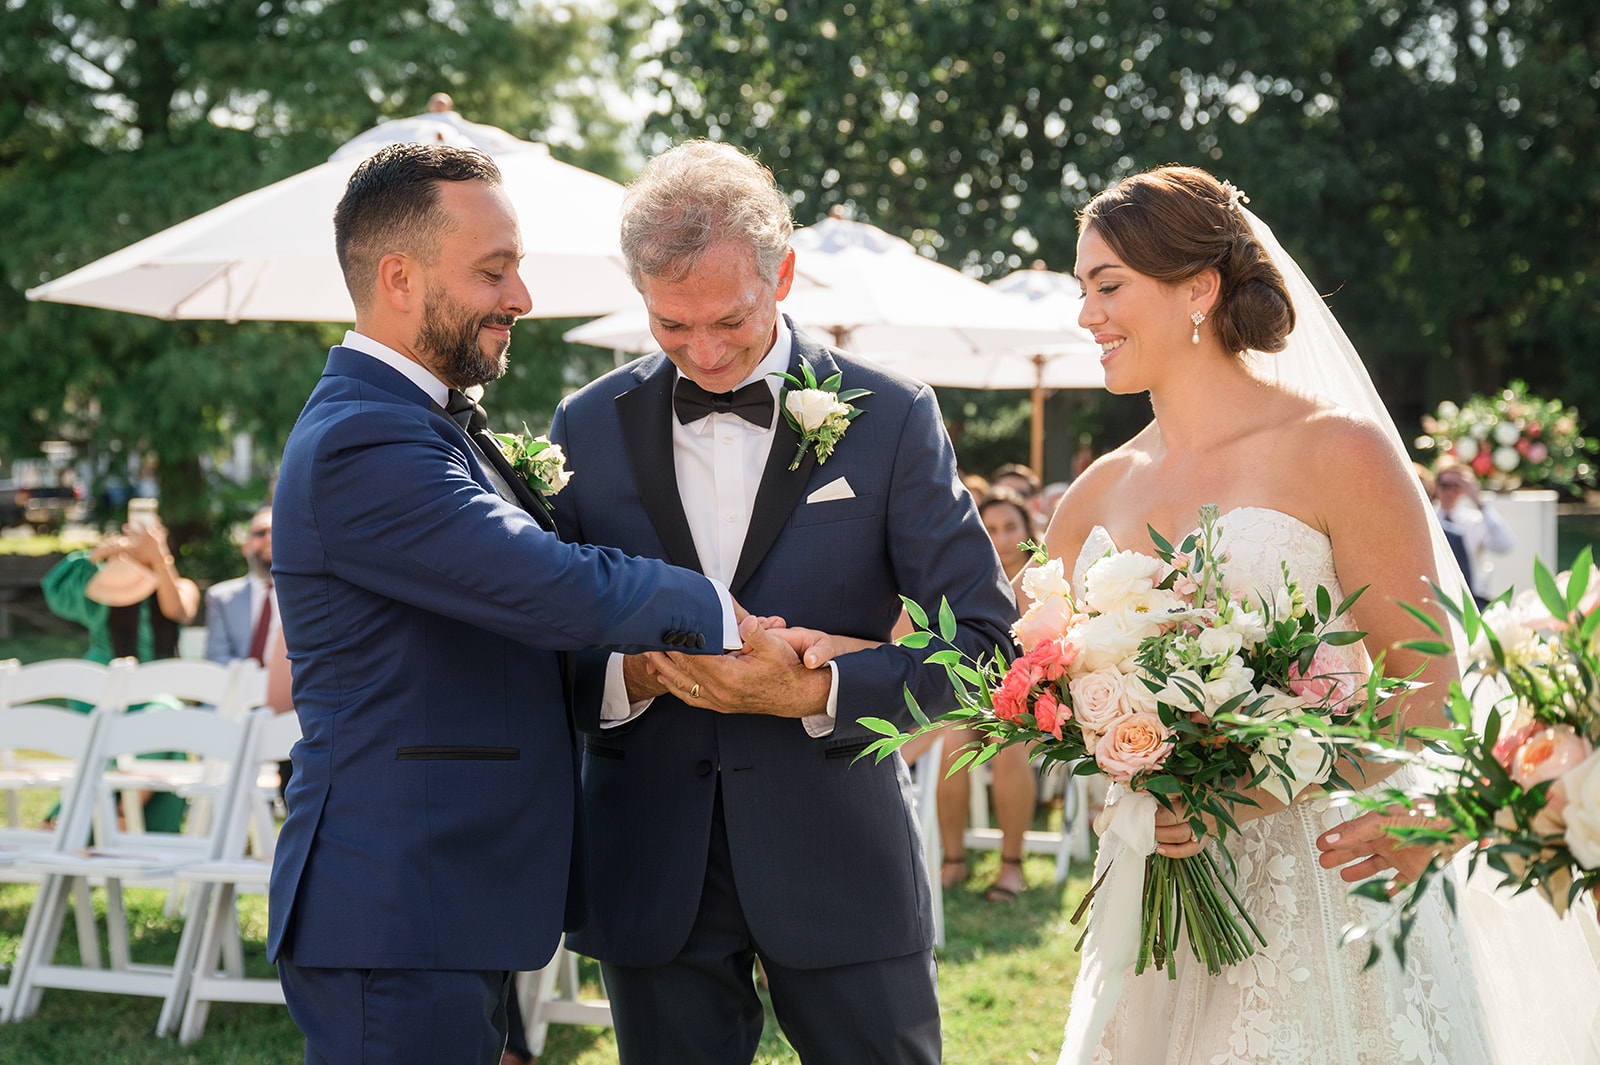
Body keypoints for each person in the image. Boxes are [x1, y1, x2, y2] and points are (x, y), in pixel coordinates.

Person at [267, 142, 742, 1065]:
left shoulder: (424, 421)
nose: (521, 296)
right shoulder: (363, 439)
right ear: (399, 277)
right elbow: (543, 581)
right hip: (394, 906)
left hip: (446, 896)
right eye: (494, 270)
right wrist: (727, 616)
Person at [547, 139, 1016, 1065]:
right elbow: (539, 644)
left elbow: (987, 646)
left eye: (728, 319)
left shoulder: (891, 416)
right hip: (649, 863)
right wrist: (635, 671)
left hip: (840, 855)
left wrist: (816, 692)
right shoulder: (584, 428)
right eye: (670, 326)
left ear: (785, 272)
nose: (704, 351)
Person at [1037, 165, 1495, 1063]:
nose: (1085, 315)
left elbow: (1429, 690)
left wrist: (1251, 788)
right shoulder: (1091, 497)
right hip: (1152, 895)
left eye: (1108, 286)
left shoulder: (1338, 453)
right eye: (1081, 290)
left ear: (1198, 287)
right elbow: (1040, 677)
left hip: (1320, 888)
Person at [41, 518, 201, 831]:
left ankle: (96, 815)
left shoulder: (181, 585)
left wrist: (158, 557)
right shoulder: (106, 588)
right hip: (102, 691)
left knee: (166, 716)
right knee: (157, 726)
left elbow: (179, 611)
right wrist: (97, 555)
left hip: (155, 694)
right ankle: (118, 815)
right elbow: (57, 592)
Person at [922, 489, 1039, 902]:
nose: (1002, 538)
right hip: (974, 699)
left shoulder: (1046, 582)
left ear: (1029, 531)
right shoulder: (967, 582)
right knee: (953, 741)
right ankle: (954, 858)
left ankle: (1011, 863)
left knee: (1008, 745)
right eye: (990, 529)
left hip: (1034, 702)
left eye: (1011, 527)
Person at [1432, 456, 1515, 608]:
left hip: (1470, 599)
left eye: (1457, 486)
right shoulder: (1428, 517)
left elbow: (1506, 545)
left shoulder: (1474, 521)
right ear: (1437, 486)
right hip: (1435, 598)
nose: (1450, 492)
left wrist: (1479, 502)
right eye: (1445, 485)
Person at [203, 506, 276, 666]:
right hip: (240, 686)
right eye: (260, 533)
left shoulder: (306, 596)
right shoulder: (220, 597)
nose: (269, 539)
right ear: (245, 547)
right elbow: (217, 658)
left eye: (277, 530)